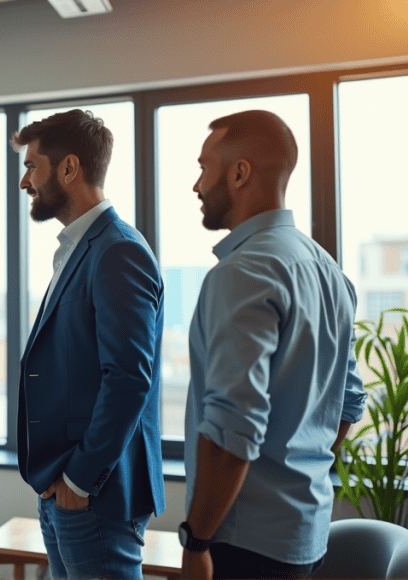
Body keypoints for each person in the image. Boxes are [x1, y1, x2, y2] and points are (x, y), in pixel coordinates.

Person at [180, 110, 366, 579]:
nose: (197, 186)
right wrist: (294, 469)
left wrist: (197, 538)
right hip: (305, 537)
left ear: (239, 172)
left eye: (204, 168)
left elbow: (232, 429)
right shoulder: (328, 270)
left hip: (243, 544)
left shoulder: (241, 273)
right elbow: (347, 403)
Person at [11, 109, 165, 580]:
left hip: (94, 492)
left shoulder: (117, 249)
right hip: (63, 486)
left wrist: (79, 480)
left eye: (31, 166)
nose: (24, 183)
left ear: (69, 168)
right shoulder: (82, 247)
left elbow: (128, 380)